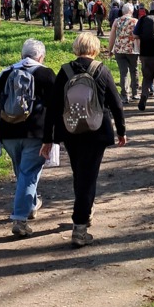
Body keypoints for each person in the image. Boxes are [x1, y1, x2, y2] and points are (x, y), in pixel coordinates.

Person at [41, 32, 127, 247]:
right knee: (88, 176)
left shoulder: (65, 71)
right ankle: (80, 226)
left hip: (70, 130)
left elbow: (53, 107)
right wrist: (121, 130)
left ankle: (85, 210)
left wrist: (48, 138)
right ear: (95, 49)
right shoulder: (102, 70)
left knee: (80, 173)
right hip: (96, 131)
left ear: (76, 48)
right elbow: (116, 103)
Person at [0, 39, 55, 238]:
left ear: (22, 55)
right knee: (28, 173)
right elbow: (55, 107)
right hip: (35, 134)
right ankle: (20, 219)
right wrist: (53, 135)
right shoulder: (46, 74)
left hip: (8, 133)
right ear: (41, 57)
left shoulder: (7, 72)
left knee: (22, 172)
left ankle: (31, 205)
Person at [108, 0, 140, 103]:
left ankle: (125, 95)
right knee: (134, 70)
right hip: (132, 50)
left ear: (123, 11)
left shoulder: (117, 21)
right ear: (132, 11)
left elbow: (112, 36)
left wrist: (110, 49)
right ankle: (135, 93)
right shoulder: (135, 21)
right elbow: (139, 37)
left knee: (123, 72)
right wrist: (141, 50)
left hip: (119, 50)